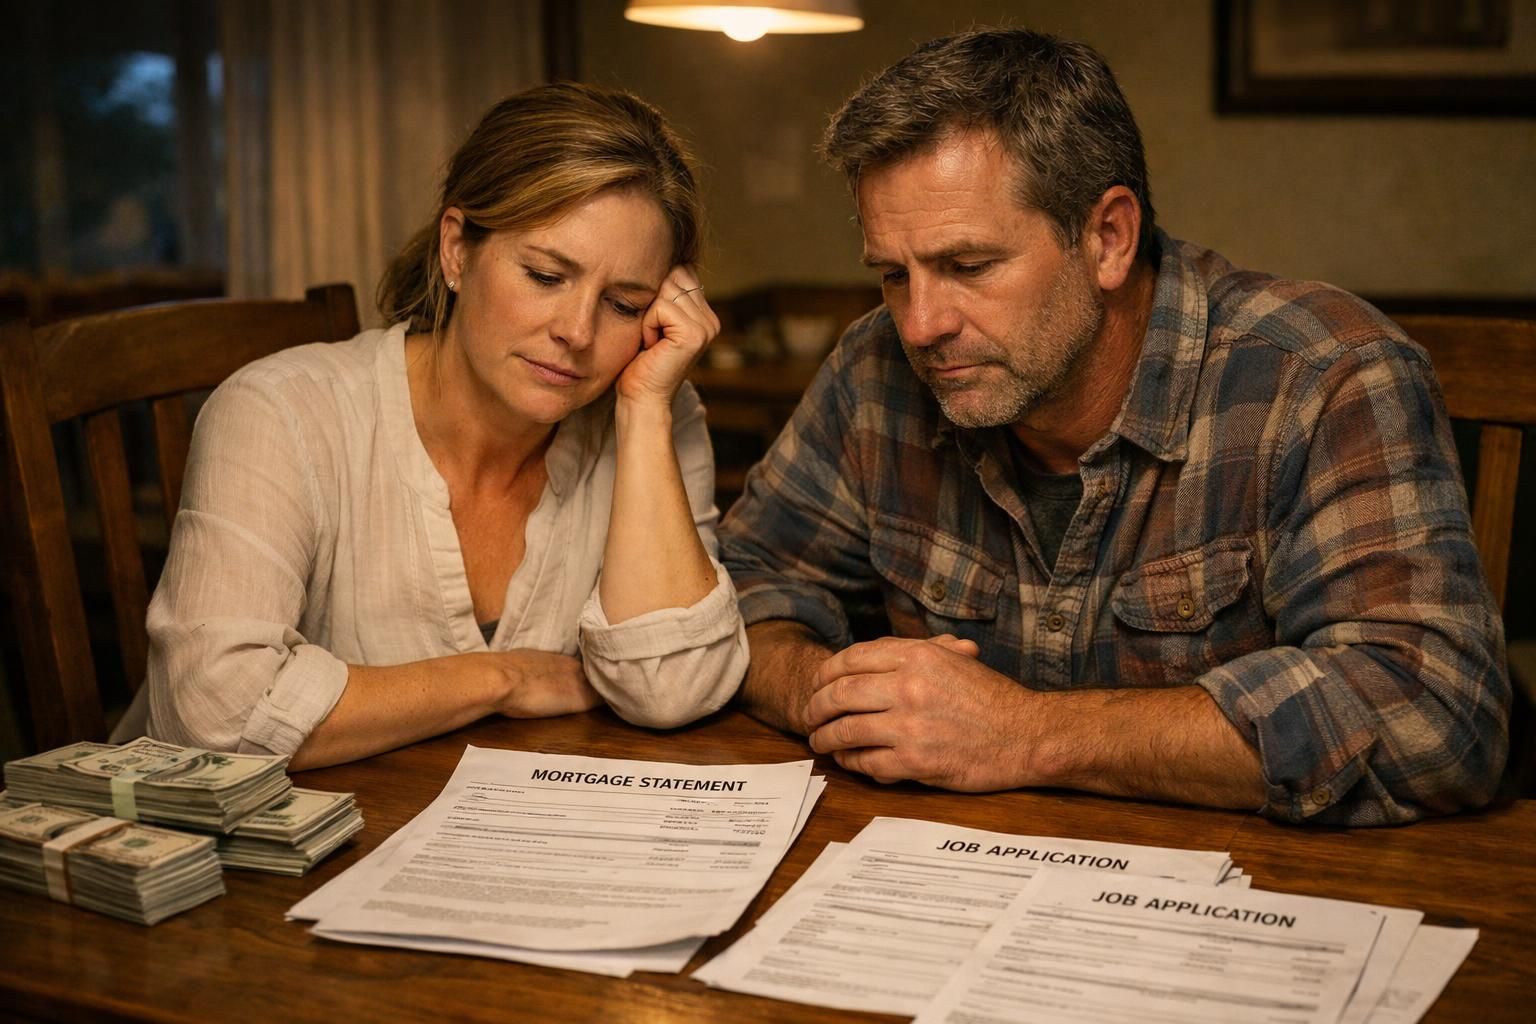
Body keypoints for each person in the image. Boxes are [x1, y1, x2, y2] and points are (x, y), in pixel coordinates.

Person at [719, 28, 1509, 825]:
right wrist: (827, 694)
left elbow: (1433, 714)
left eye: (968, 267)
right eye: (893, 274)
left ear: (1108, 238)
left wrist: (1024, 735)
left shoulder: (1323, 376)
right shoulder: (874, 370)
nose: (920, 324)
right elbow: (746, 582)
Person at [115, 83, 748, 768]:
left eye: (624, 304)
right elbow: (214, 713)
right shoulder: (280, 412)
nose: (577, 331)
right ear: (456, 249)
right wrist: (502, 679)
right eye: (544, 275)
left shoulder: (654, 412)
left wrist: (647, 409)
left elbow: (672, 691)